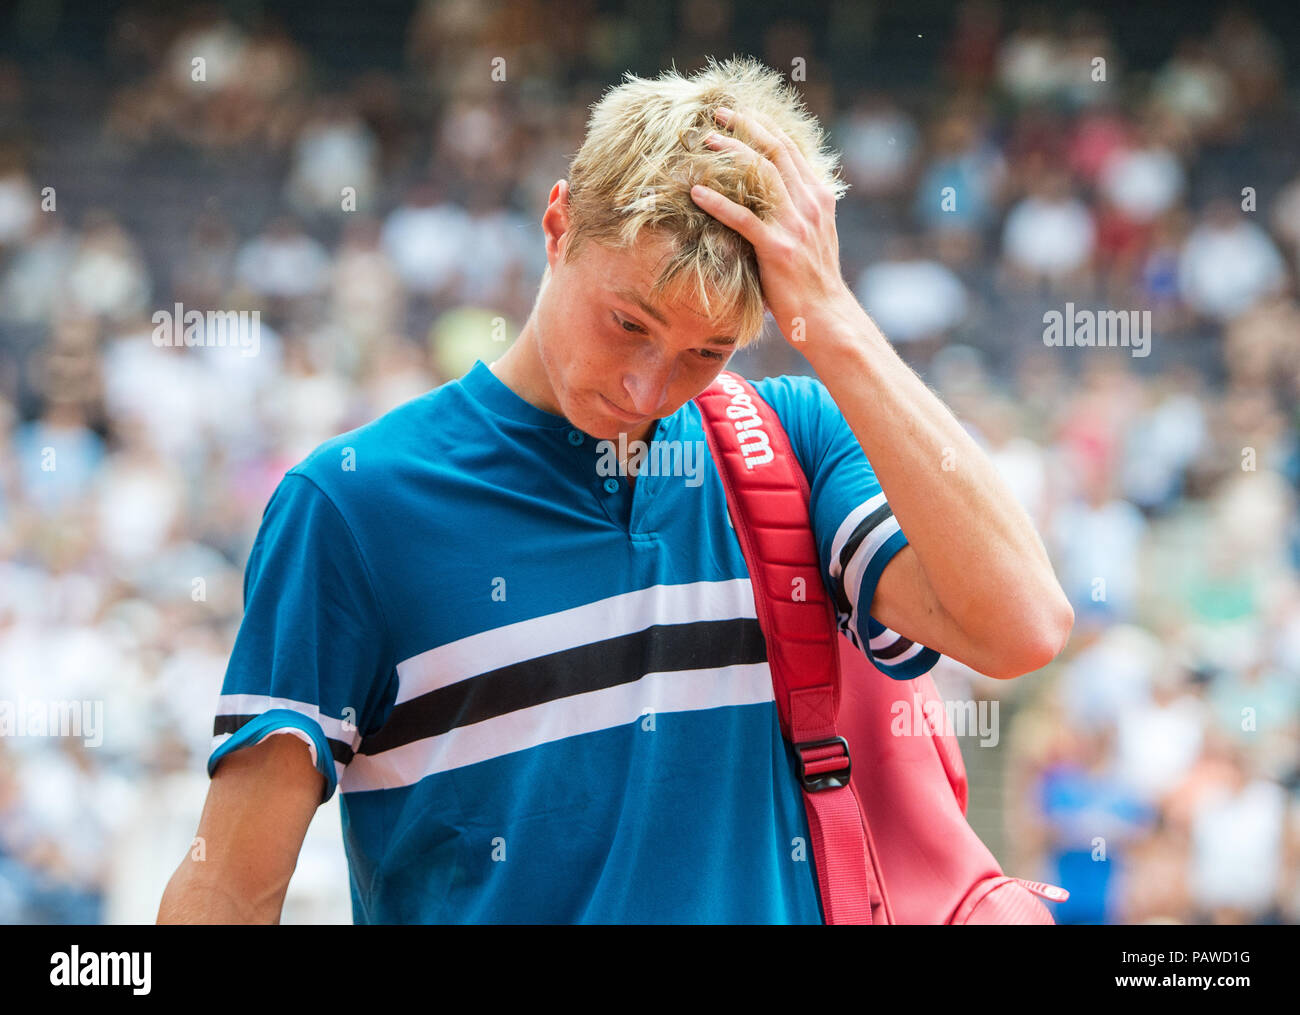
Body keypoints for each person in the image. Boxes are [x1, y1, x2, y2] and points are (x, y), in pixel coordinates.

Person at [157, 56, 1073, 924]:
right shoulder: (352, 506)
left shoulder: (794, 441)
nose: (644, 387)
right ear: (559, 225)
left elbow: (1022, 623)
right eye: (626, 322)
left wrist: (833, 322)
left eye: (705, 352)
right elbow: (233, 888)